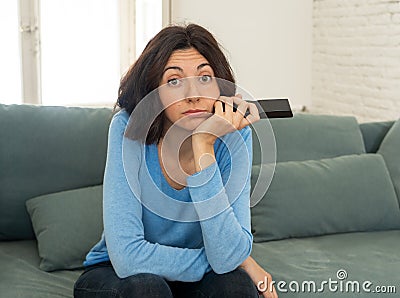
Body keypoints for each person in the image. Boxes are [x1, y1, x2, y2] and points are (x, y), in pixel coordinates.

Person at [73, 23, 278, 298]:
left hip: (191, 278)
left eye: (205, 78)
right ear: (153, 92)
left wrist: (203, 144)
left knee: (236, 287)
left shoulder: (235, 136)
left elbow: (227, 258)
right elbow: (128, 257)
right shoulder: (127, 127)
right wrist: (239, 260)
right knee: (149, 288)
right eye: (174, 81)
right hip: (119, 275)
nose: (193, 94)